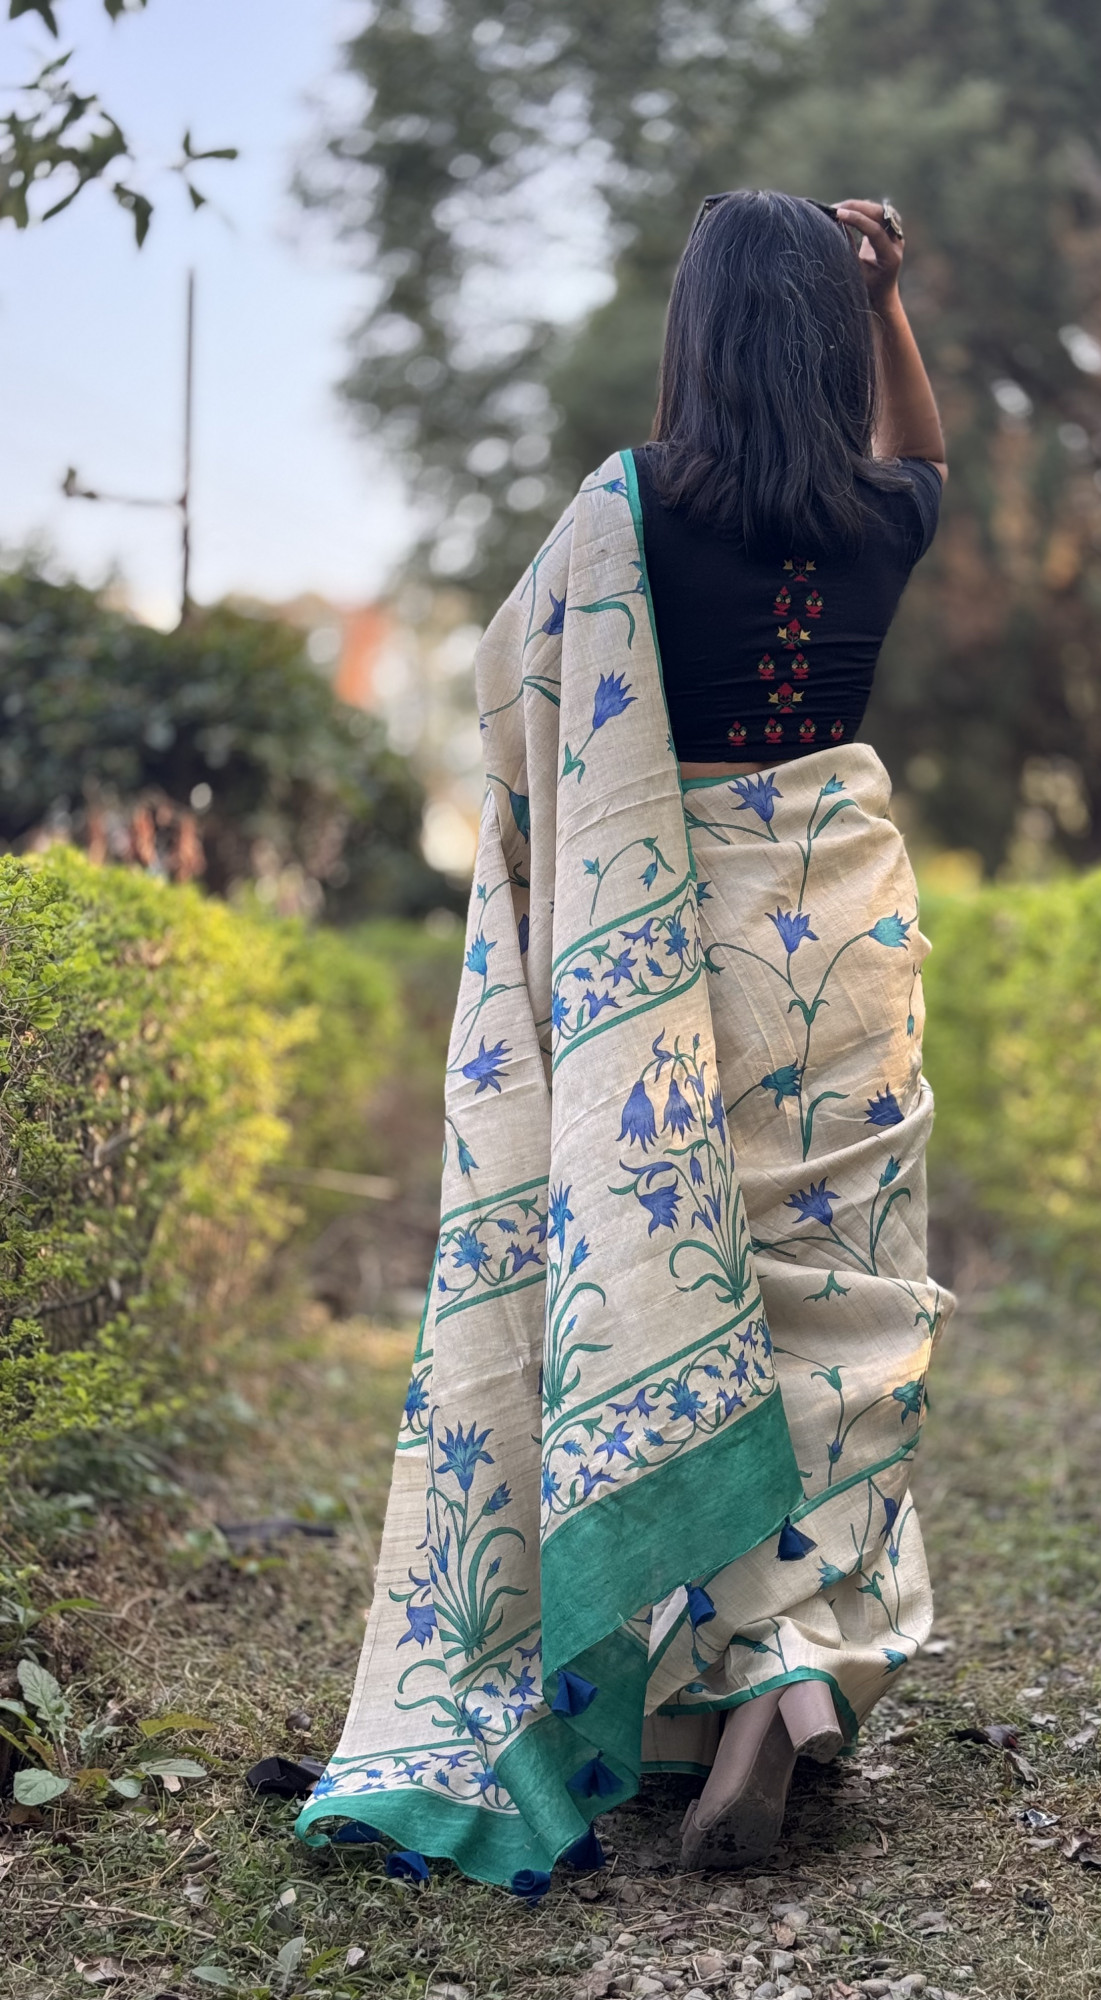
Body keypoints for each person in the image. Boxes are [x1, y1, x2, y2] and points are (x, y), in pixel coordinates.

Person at [297, 190, 954, 1891]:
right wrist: (889, 302)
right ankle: (789, 1669)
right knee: (837, 1308)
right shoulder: (884, 516)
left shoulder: (636, 506)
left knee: (681, 1300)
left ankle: (718, 1673)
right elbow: (925, 454)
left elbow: (516, 674)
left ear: (697, 332)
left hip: (675, 951)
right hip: (851, 935)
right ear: (830, 338)